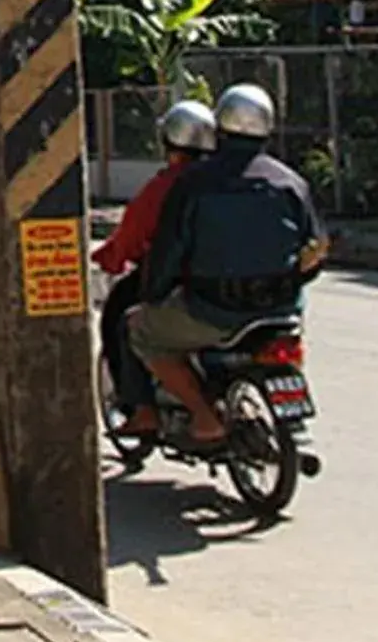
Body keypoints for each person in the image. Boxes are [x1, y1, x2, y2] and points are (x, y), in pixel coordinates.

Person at [127, 81, 329, 445]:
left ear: (219, 128)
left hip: (212, 310)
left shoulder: (194, 183)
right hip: (279, 311)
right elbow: (315, 252)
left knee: (141, 330)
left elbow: (168, 251)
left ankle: (205, 417)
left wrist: (153, 296)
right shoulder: (291, 183)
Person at [94, 97, 216, 424]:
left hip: (181, 284)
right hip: (247, 288)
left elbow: (132, 234)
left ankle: (142, 409)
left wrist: (111, 258)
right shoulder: (234, 178)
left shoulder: (167, 185)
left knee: (123, 320)